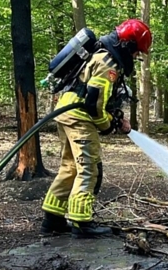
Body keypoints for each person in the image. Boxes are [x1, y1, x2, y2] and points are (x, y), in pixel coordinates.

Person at [41, 19, 152, 237]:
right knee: (90, 169)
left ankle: (52, 220)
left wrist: (116, 119)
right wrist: (108, 125)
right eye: (136, 51)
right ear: (127, 45)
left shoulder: (101, 54)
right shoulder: (108, 63)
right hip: (80, 118)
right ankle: (82, 223)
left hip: (66, 113)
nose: (136, 57)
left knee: (70, 167)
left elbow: (99, 99)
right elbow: (94, 102)